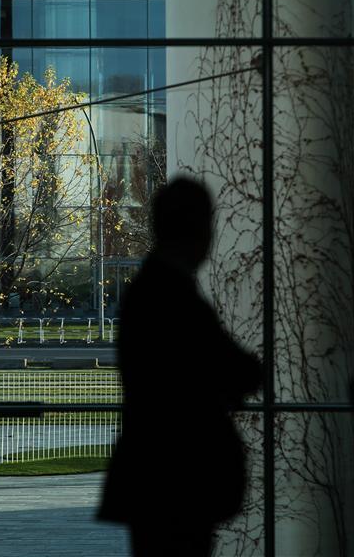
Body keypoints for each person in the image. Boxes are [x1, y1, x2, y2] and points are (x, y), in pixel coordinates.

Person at [99, 178, 262, 556]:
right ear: (198, 228)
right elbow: (227, 369)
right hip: (182, 474)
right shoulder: (174, 296)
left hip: (157, 473)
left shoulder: (151, 290)